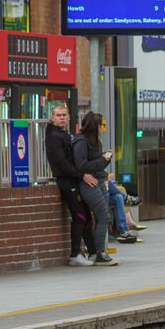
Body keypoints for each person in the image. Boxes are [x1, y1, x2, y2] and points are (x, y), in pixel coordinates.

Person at [45, 102, 98, 266]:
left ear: (68, 117)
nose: (61, 118)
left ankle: (94, 253)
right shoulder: (53, 137)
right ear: (52, 118)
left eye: (64, 115)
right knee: (80, 215)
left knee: (86, 216)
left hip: (74, 178)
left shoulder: (65, 134)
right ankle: (75, 254)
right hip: (66, 181)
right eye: (58, 115)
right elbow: (62, 163)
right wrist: (82, 175)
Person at [72, 111, 119, 266]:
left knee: (103, 216)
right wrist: (103, 160)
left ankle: (99, 252)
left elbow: (95, 164)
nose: (103, 128)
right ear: (96, 126)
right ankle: (99, 253)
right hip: (88, 183)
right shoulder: (81, 142)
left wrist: (104, 164)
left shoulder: (95, 142)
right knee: (104, 216)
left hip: (98, 180)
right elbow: (82, 166)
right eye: (102, 125)